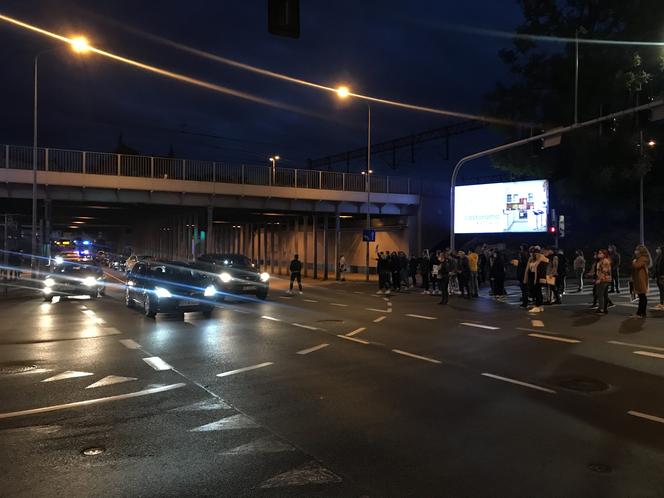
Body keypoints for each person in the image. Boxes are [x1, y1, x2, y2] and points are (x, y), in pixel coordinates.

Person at [525, 246, 548, 313]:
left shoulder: (541, 257)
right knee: (535, 291)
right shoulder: (532, 258)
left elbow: (536, 267)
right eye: (531, 252)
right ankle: (539, 306)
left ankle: (538, 306)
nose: (532, 254)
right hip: (532, 275)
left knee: (537, 291)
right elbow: (529, 268)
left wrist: (535, 279)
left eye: (534, 252)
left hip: (538, 276)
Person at [631, 245, 652, 318]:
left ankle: (639, 313)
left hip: (641, 279)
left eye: (637, 250)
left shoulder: (643, 258)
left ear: (641, 251)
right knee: (642, 296)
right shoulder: (640, 258)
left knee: (642, 297)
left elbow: (637, 266)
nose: (635, 251)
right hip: (639, 278)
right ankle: (642, 313)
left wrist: (634, 262)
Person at [595, 249, 612, 315]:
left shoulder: (605, 261)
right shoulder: (601, 261)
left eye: (600, 253)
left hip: (604, 280)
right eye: (598, 253)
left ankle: (601, 309)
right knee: (604, 295)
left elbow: (605, 271)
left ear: (604, 254)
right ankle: (604, 309)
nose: (599, 254)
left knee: (600, 294)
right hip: (604, 279)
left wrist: (600, 279)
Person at [654, 246, 664, 310]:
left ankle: (662, 303)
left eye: (658, 249)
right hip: (658, 276)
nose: (657, 250)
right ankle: (661, 303)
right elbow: (656, 266)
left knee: (662, 289)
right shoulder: (658, 257)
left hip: (662, 276)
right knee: (661, 290)